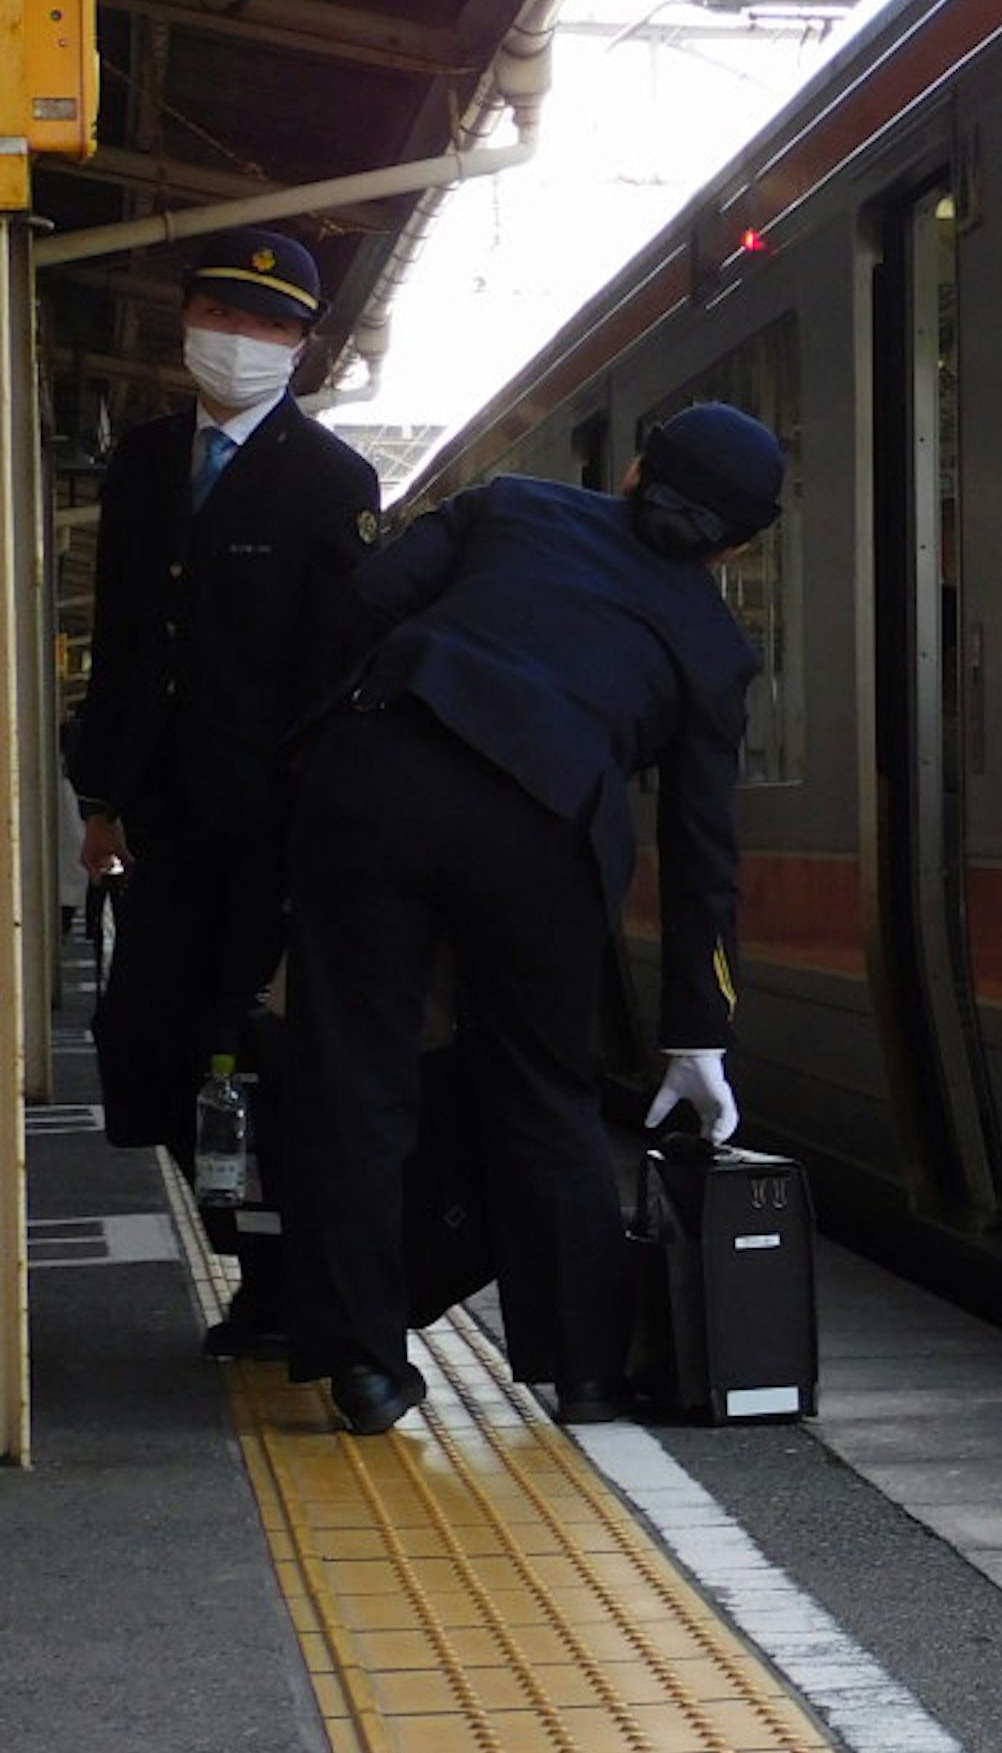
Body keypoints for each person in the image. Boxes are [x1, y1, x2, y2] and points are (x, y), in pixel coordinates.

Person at [283, 402, 777, 1435]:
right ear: (735, 547)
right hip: (546, 835)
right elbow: (703, 854)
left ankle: (363, 1363)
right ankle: (587, 1370)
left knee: (355, 1073)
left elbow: (358, 609)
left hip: (380, 783)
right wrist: (699, 1028)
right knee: (545, 1091)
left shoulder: (508, 507)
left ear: (635, 471)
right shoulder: (716, 651)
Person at [65, 232, 379, 1355]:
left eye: (267, 326)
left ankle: (276, 1280)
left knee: (249, 1057)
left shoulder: (333, 482)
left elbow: (338, 674)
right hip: (161, 826)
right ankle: (240, 1241)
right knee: (154, 1046)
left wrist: (321, 838)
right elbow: (118, 643)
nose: (237, 341)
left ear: (301, 346)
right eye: (221, 316)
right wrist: (100, 798)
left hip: (273, 836)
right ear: (185, 320)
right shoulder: (145, 462)